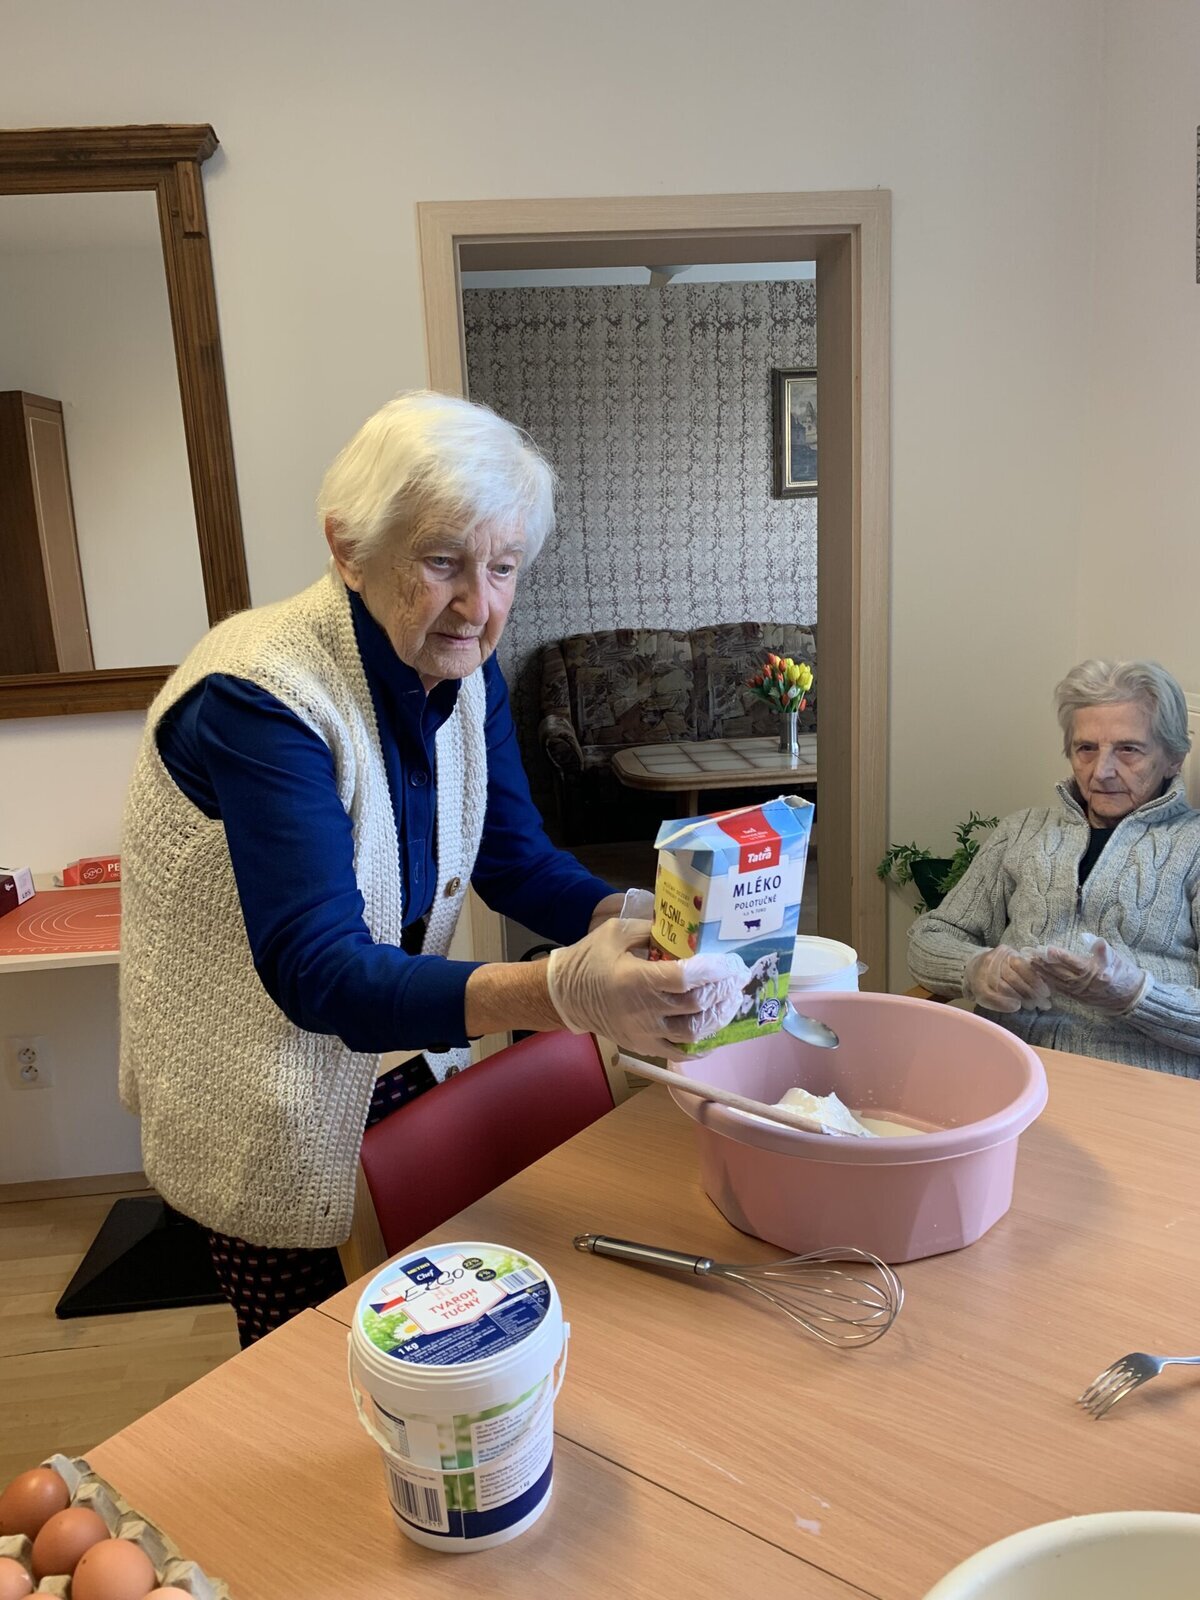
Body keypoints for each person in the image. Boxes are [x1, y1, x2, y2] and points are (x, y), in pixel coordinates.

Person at [119, 391, 747, 1344]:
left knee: (426, 1330)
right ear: (348, 547)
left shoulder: (465, 670)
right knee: (305, 1356)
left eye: (503, 567)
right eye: (443, 561)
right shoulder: (259, 696)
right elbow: (319, 972)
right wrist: (562, 991)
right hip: (258, 1098)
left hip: (395, 1046)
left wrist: (655, 916)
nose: (479, 605)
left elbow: (517, 863)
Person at [908, 659, 1200, 1078]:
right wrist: (974, 968)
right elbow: (930, 938)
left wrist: (1136, 995)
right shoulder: (1022, 830)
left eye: (1129, 749)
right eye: (1086, 749)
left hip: (1137, 1083)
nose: (1102, 772)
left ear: (1174, 758)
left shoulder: (1194, 847)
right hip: (1006, 1068)